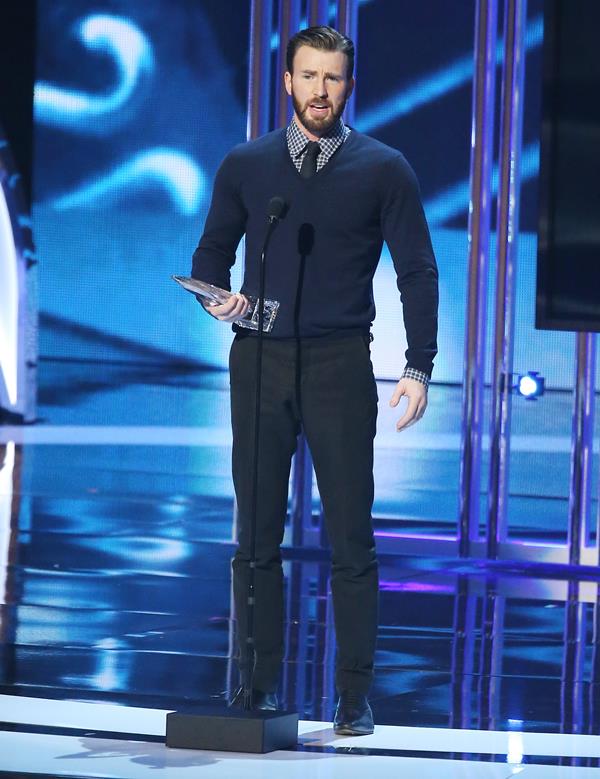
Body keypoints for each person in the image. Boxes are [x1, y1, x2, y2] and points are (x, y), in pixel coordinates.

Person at [191, 25, 438, 735]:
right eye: (308, 76)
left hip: (338, 364)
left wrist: (418, 365)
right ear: (288, 82)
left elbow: (417, 271)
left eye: (332, 78)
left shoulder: (384, 169)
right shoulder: (246, 164)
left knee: (351, 537)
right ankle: (257, 685)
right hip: (259, 359)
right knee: (256, 536)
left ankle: (354, 695)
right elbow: (212, 251)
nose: (319, 91)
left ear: (348, 86)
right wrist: (215, 295)